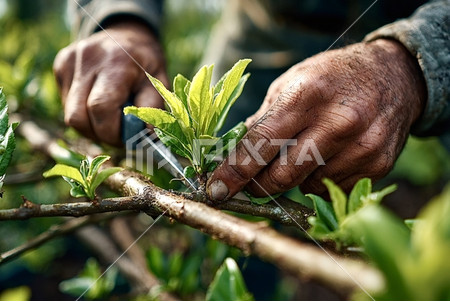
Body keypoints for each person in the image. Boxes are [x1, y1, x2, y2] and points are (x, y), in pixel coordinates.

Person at [54, 0, 449, 199]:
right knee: (212, 170)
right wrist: (121, 17)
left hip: (410, 19)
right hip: (261, 24)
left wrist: (418, 57)